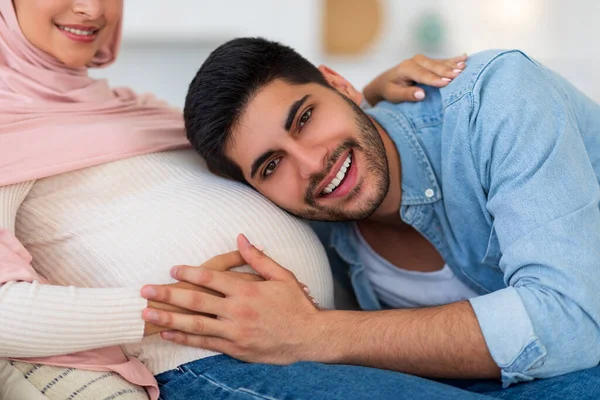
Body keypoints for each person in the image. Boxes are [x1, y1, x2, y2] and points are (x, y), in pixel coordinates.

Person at [0, 1, 473, 399]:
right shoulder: (8, 128)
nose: (92, 9)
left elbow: (258, 150)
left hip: (313, 337)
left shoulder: (129, 105)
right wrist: (174, 310)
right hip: (211, 362)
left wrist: (361, 102)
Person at [147, 37, 600, 399]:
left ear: (341, 85)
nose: (310, 164)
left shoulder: (497, 94)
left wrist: (312, 333)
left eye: (305, 118)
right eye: (271, 166)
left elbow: (569, 324)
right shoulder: (305, 228)